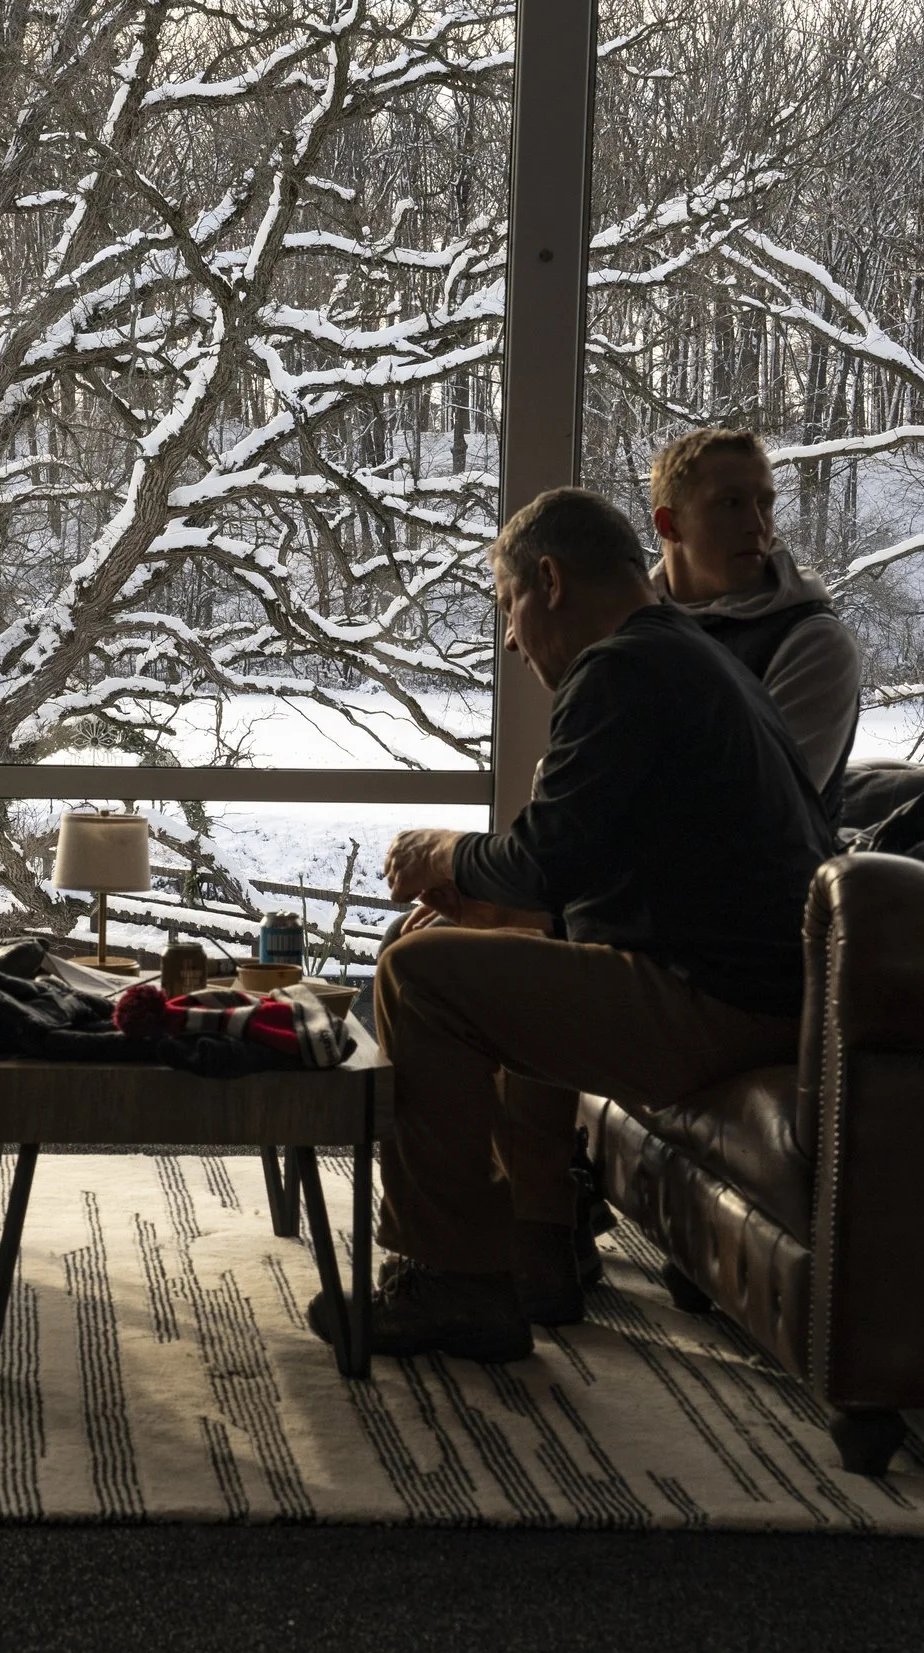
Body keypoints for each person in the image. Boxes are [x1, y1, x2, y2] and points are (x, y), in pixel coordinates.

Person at [324, 488, 835, 1364]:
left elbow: (545, 858)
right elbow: (592, 872)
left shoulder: (620, 669)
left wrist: (447, 856)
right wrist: (489, 906)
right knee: (494, 952)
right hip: (766, 988)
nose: (513, 640)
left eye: (506, 608)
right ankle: (535, 1255)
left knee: (422, 979)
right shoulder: (691, 657)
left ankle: (451, 1281)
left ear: (549, 580)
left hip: (716, 1002)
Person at [648, 428, 863, 819]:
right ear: (669, 525)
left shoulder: (812, 642)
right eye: (730, 504)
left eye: (764, 504)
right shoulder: (626, 628)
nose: (757, 525)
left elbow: (759, 815)